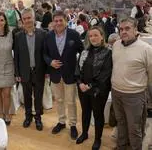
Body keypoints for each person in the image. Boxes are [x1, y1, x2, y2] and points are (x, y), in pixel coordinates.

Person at [111, 17, 152, 150]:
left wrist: (145, 93)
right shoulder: (116, 45)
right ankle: (121, 146)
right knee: (121, 123)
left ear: (135, 30)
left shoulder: (146, 49)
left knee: (135, 128)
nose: (123, 32)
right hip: (116, 92)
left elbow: (151, 73)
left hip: (134, 95)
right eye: (121, 29)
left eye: (127, 28)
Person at [44, 10, 83, 139]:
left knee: (71, 101)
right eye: (56, 21)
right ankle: (61, 122)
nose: (59, 23)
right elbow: (44, 54)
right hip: (55, 74)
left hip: (70, 74)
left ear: (66, 21)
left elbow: (82, 52)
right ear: (53, 22)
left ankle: (72, 125)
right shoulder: (48, 36)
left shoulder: (74, 35)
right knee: (59, 100)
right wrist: (50, 62)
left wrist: (78, 68)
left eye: (61, 20)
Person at [75, 26, 112, 150]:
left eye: (96, 35)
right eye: (90, 36)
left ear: (102, 36)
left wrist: (90, 86)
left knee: (98, 115)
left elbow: (105, 74)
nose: (93, 38)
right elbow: (77, 70)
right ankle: (84, 133)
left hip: (98, 90)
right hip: (83, 89)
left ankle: (97, 139)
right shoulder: (84, 51)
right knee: (85, 112)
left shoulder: (108, 52)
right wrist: (80, 83)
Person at [14, 8, 47, 131]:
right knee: (27, 96)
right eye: (25, 19)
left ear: (34, 18)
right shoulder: (18, 36)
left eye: (29, 18)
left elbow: (45, 54)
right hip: (24, 71)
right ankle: (28, 116)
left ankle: (38, 117)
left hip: (39, 71)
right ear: (22, 20)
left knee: (38, 96)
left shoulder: (43, 34)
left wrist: (47, 71)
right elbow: (16, 56)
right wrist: (17, 73)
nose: (27, 20)